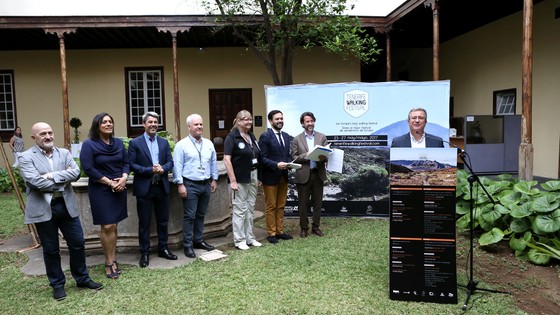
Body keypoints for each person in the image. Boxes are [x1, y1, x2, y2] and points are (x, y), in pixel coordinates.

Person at [18, 122, 103, 301]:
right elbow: (35, 182)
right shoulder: (25, 157)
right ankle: (57, 285)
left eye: (50, 132)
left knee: (78, 243)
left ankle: (82, 279)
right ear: (34, 138)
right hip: (43, 207)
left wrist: (50, 176)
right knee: (51, 249)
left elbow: (76, 173)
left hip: (66, 205)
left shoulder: (63, 153)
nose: (48, 136)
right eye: (42, 134)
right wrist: (61, 179)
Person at [80, 113, 129, 279]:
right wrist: (109, 182)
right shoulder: (89, 145)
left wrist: (123, 178)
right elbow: (88, 168)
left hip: (119, 188)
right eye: (104, 122)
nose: (108, 124)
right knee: (107, 226)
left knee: (114, 225)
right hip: (101, 188)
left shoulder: (119, 143)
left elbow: (126, 162)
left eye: (110, 121)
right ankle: (108, 262)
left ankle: (113, 258)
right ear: (97, 125)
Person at [128, 112, 177, 267]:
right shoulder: (135, 143)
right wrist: (150, 170)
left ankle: (163, 248)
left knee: (163, 221)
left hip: (161, 187)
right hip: (145, 188)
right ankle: (145, 253)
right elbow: (132, 165)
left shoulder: (163, 142)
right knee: (144, 222)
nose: (153, 125)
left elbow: (170, 162)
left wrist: (163, 169)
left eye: (155, 122)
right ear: (144, 124)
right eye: (150, 122)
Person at [173, 114, 219, 258]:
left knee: (201, 214)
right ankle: (188, 245)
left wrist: (214, 179)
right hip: (190, 184)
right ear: (189, 127)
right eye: (196, 125)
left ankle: (198, 240)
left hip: (205, 184)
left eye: (201, 124)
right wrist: (180, 184)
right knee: (190, 216)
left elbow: (213, 163)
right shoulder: (182, 145)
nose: (199, 127)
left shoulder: (209, 143)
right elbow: (177, 166)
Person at [223, 110, 263, 250]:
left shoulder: (251, 135)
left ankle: (250, 238)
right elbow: (227, 160)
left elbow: (255, 155)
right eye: (245, 119)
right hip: (239, 178)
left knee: (250, 208)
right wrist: (233, 180)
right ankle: (239, 240)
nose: (249, 122)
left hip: (252, 175)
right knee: (240, 209)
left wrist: (257, 177)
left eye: (250, 119)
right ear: (238, 121)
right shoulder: (231, 137)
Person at [291, 111, 328, 238]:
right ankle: (304, 228)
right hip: (303, 175)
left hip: (318, 174)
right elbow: (294, 158)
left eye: (312, 121)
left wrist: (323, 156)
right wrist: (307, 154)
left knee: (318, 203)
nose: (310, 123)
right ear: (302, 123)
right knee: (303, 204)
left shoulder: (322, 137)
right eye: (307, 121)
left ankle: (316, 227)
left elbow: (326, 156)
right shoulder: (297, 139)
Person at [258, 110, 293, 244]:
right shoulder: (265, 136)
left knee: (281, 205)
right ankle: (271, 233)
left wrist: (291, 163)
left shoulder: (286, 136)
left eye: (281, 118)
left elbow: (286, 155)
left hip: (283, 176)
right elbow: (263, 158)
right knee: (271, 206)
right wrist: (276, 165)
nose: (280, 121)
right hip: (271, 177)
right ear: (271, 121)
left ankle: (280, 231)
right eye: (277, 119)